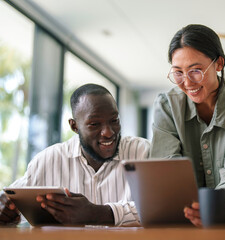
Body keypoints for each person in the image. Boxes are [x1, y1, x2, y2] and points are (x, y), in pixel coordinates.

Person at [149, 24, 225, 226]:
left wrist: (212, 209)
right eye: (178, 73)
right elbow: (166, 170)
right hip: (181, 220)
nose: (187, 83)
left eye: (196, 70)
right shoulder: (167, 106)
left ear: (218, 64)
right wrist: (193, 210)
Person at [0, 83, 150, 226]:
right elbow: (10, 198)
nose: (109, 132)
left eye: (114, 120)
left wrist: (97, 213)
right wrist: (6, 210)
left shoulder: (144, 152)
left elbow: (165, 208)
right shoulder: (47, 160)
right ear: (74, 126)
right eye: (94, 124)